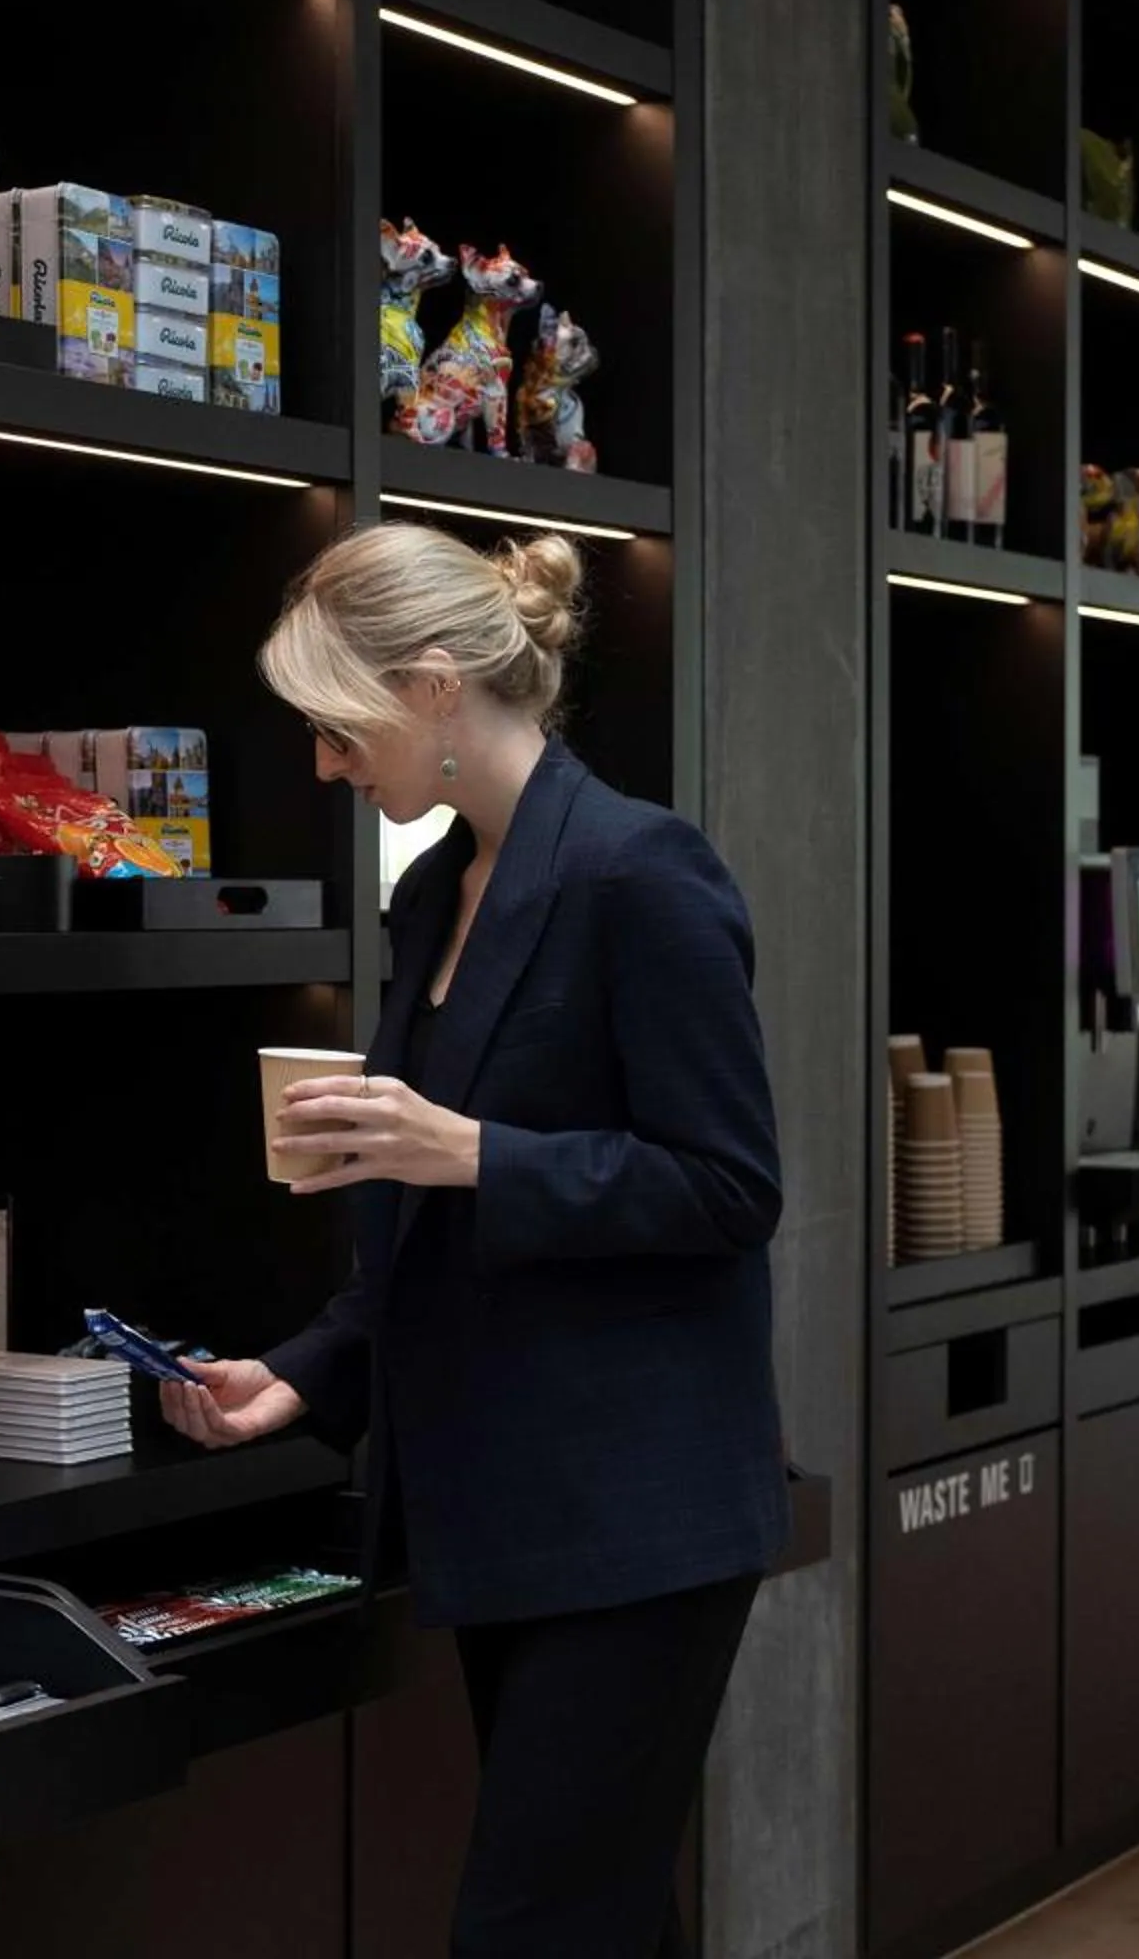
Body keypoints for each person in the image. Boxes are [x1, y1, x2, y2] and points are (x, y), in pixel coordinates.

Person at [161, 522, 789, 1958]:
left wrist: (472, 1150)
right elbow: (431, 1230)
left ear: (436, 689)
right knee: (599, 1920)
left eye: (339, 726)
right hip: (507, 1510)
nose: (326, 763)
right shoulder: (431, 889)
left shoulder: (642, 872)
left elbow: (728, 1189)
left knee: (535, 1926)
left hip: (643, 1520)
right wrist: (306, 1371)